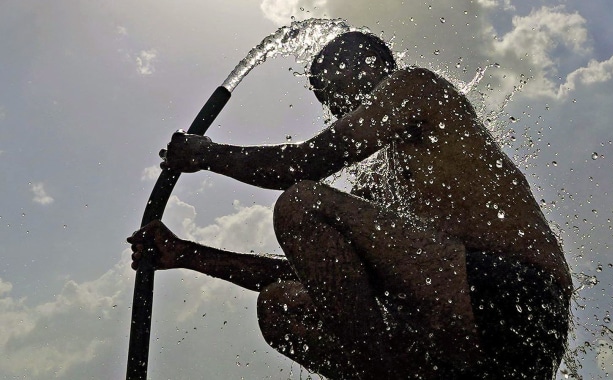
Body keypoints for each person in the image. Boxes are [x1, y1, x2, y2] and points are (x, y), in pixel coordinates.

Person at [128, 30, 572, 379]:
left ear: (371, 60)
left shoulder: (415, 87)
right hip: (470, 337)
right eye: (323, 97)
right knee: (280, 305)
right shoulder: (384, 181)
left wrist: (207, 155)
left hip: (518, 296)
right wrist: (188, 255)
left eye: (332, 79)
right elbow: (329, 280)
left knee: (300, 201)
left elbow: (306, 162)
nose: (331, 103)